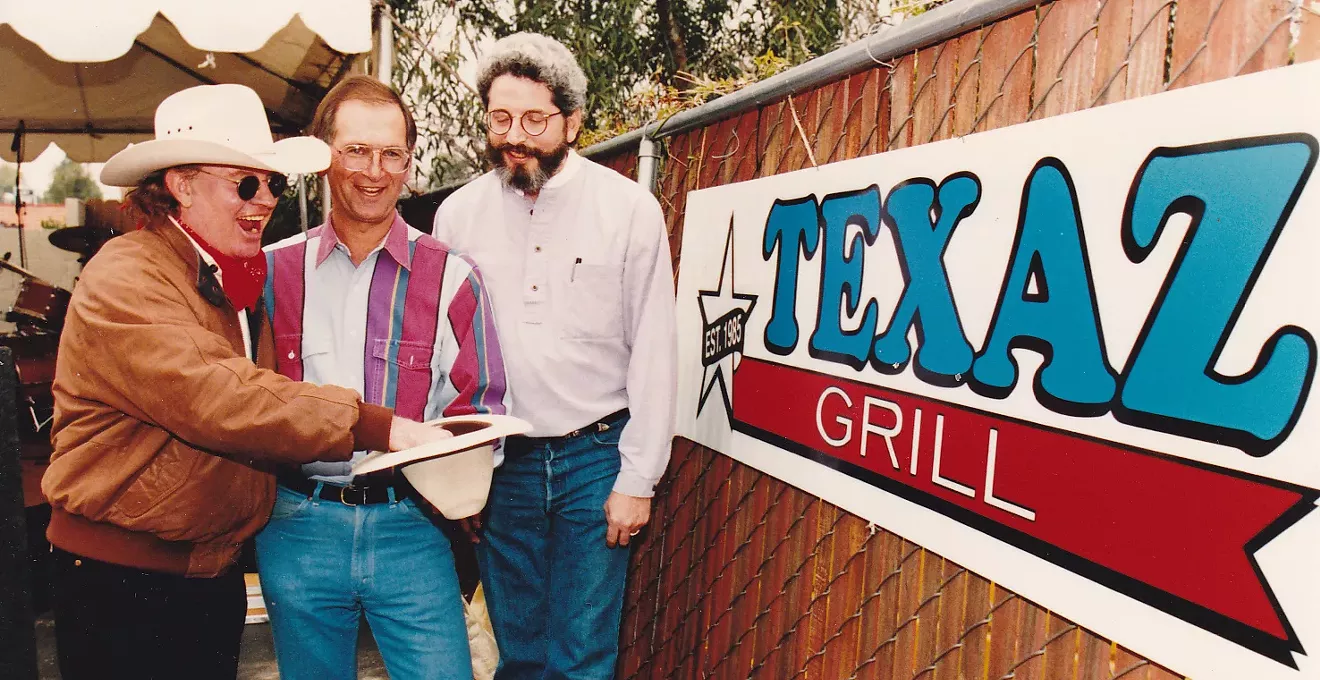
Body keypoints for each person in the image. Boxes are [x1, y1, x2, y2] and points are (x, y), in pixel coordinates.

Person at [40, 83, 449, 680]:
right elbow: (217, 395)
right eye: (246, 184)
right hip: (125, 582)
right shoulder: (128, 274)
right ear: (181, 184)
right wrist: (379, 426)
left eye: (273, 184)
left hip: (203, 574)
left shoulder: (224, 278)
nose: (264, 202)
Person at [433, 32, 677, 680]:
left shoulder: (628, 210)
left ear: (572, 122)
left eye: (534, 120)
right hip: (499, 464)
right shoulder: (457, 217)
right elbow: (446, 358)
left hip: (595, 460)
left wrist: (638, 479)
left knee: (582, 657)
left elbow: (655, 348)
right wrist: (463, 477)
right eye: (500, 118)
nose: (515, 137)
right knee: (520, 655)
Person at [257, 75, 511, 680]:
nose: (375, 172)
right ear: (324, 157)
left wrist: (455, 486)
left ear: (408, 163)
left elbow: (482, 410)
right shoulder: (270, 274)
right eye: (356, 151)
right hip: (298, 527)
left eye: (392, 154)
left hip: (412, 528)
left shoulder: (453, 277)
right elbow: (244, 401)